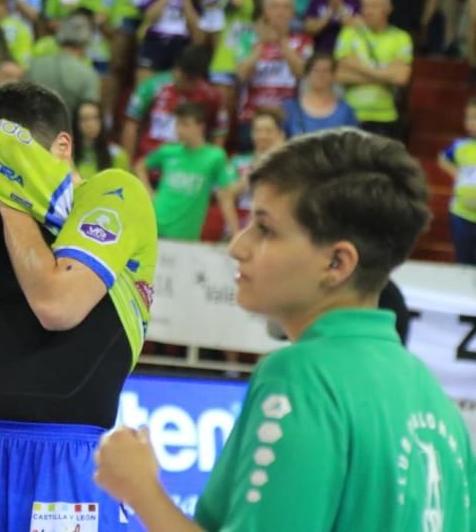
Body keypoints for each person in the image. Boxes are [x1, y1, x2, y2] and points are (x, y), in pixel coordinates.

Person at [95, 129, 476, 532]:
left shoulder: (302, 375)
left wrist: (141, 491)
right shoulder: (435, 401)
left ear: (337, 263)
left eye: (265, 229)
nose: (237, 247)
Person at [0, 82, 158, 530]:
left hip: (64, 456)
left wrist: (8, 202)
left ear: (61, 146)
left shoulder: (112, 193)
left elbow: (57, 305)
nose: (0, 170)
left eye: (13, 155)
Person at [138, 102, 240, 241]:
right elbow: (140, 166)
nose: (179, 129)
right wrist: (149, 192)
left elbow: (226, 194)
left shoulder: (215, 156)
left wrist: (235, 233)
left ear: (200, 127)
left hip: (185, 233)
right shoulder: (168, 151)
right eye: (177, 124)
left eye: (185, 124)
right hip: (153, 223)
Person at [235, 0, 313, 151]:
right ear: (266, 10)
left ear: (292, 13)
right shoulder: (248, 38)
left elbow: (302, 73)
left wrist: (283, 42)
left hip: (288, 118)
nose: (281, 12)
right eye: (276, 7)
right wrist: (260, 46)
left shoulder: (303, 40)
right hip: (253, 117)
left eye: (286, 7)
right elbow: (241, 75)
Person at [122, 43, 228, 161]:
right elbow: (131, 124)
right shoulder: (151, 87)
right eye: (182, 76)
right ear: (176, 68)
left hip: (189, 166)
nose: (184, 83)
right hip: (150, 159)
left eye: (190, 80)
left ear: (199, 78)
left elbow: (219, 132)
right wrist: (129, 163)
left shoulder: (211, 96)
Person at [334, 0, 413, 139]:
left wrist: (358, 68)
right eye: (365, 5)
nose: (368, 11)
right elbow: (340, 75)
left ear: (388, 8)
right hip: (351, 115)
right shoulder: (349, 33)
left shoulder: (401, 38)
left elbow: (401, 78)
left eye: (374, 6)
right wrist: (384, 73)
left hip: (386, 117)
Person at [27, 12, 101, 112]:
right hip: (67, 126)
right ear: (85, 42)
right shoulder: (88, 74)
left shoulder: (35, 66)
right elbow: (88, 113)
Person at [226, 106, 287, 227]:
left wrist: (276, 158)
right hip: (242, 220)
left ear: (280, 134)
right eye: (257, 131)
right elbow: (228, 195)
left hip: (275, 224)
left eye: (268, 131)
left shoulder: (289, 163)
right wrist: (258, 164)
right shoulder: (238, 161)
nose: (262, 136)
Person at [438, 96, 476, 265]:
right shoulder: (461, 146)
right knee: (463, 260)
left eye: (475, 118)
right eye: (468, 117)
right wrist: (456, 174)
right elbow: (442, 158)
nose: (470, 123)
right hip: (461, 214)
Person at [284, 53, 358, 137]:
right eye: (315, 70)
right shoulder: (291, 108)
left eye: (325, 71)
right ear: (307, 74)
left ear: (334, 75)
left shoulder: (345, 111)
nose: (320, 75)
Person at [73, 100, 131, 179]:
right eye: (84, 119)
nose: (90, 124)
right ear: (76, 124)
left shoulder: (117, 155)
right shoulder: (67, 155)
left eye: (95, 118)